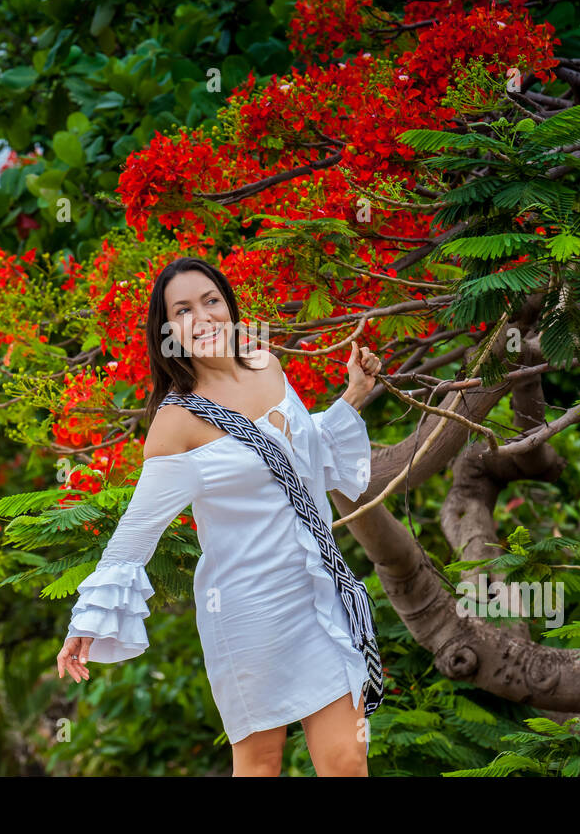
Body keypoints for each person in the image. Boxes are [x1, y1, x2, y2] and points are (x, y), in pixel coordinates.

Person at [56, 256, 383, 776]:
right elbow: (138, 530)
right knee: (259, 765)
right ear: (168, 332)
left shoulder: (266, 366)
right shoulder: (176, 422)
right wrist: (88, 622)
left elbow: (302, 461)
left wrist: (352, 397)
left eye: (210, 301)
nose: (202, 317)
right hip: (247, 610)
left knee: (347, 759)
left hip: (317, 594)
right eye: (182, 310)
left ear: (229, 309)